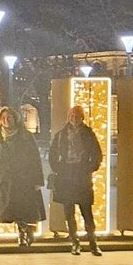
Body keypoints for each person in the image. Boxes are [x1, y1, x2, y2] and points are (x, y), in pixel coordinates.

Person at [49, 105, 104, 256]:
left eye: (77, 116)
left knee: (87, 211)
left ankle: (93, 243)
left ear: (82, 118)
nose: (74, 119)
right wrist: (58, 169)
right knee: (69, 212)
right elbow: (52, 154)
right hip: (66, 176)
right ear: (68, 117)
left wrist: (90, 168)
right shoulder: (61, 135)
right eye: (72, 116)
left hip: (82, 176)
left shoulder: (88, 134)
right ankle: (75, 242)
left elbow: (97, 153)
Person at [0, 105, 46, 247]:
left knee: (24, 208)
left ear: (15, 118)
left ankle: (26, 232)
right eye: (3, 118)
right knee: (10, 208)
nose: (6, 120)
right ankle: (23, 231)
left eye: (9, 117)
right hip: (5, 179)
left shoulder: (25, 136)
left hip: (24, 178)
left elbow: (35, 158)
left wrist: (37, 179)